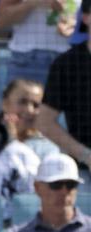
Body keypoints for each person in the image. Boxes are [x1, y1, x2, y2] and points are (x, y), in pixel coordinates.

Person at [37, 1, 91, 173]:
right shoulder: (66, 64)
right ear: (85, 18)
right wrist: (86, 155)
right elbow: (45, 122)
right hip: (83, 172)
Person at [0, 0, 76, 85]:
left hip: (73, 60)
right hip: (27, 61)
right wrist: (34, 3)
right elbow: (0, 22)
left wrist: (74, 25)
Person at [0, 78, 59, 161]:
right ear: (5, 104)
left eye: (36, 105)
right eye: (22, 102)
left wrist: (11, 140)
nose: (29, 110)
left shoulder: (47, 148)